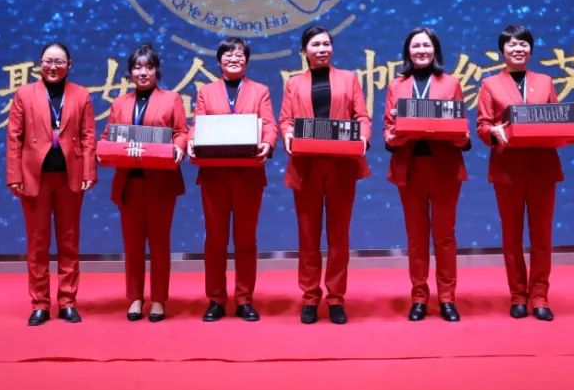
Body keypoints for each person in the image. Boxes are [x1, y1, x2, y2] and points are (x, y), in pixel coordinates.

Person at [278, 25, 371, 325]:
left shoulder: (349, 79)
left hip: (341, 166)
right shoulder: (294, 83)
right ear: (304, 51)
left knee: (338, 236)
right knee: (308, 236)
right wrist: (287, 134)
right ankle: (309, 297)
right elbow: (285, 120)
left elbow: (362, 117)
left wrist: (364, 138)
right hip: (306, 167)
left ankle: (335, 298)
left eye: (326, 44)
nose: (322, 49)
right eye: (315, 45)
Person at [5, 41, 97, 326]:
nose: (53, 67)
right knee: (38, 244)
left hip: (70, 177)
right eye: (48, 61)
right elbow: (14, 137)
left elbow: (88, 136)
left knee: (69, 242)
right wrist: (14, 175)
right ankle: (40, 304)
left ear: (69, 65)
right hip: (35, 177)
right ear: (40, 64)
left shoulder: (81, 94)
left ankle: (67, 301)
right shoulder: (24, 94)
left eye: (59, 62)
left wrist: (89, 172)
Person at [476, 25, 564, 321]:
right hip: (507, 168)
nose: (518, 49)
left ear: (531, 49)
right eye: (512, 44)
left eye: (523, 44)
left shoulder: (545, 81)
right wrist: (493, 132)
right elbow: (482, 125)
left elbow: (557, 119)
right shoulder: (490, 84)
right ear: (502, 51)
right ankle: (517, 294)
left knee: (542, 235)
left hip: (543, 167)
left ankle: (539, 295)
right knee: (511, 235)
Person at [188, 38, 278, 322]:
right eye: (228, 54)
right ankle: (216, 299)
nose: (234, 58)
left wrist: (268, 143)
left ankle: (244, 299)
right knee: (215, 240)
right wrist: (191, 140)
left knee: (246, 240)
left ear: (246, 61)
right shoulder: (206, 91)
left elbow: (269, 124)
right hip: (214, 176)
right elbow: (197, 124)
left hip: (249, 176)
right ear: (219, 62)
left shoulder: (260, 91)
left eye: (239, 54)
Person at [383, 27, 469, 322]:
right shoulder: (397, 85)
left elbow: (460, 124)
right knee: (416, 237)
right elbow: (388, 128)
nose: (421, 50)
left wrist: (462, 136)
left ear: (435, 50)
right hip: (410, 168)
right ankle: (419, 297)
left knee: (445, 236)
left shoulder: (451, 82)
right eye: (416, 46)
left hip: (444, 167)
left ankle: (447, 298)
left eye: (426, 45)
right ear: (408, 51)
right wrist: (392, 137)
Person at [107, 44, 188, 323]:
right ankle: (135, 297)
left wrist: (179, 147)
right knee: (132, 245)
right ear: (130, 72)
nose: (143, 72)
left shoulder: (171, 99)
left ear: (157, 71)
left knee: (159, 244)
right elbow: (108, 136)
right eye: (138, 67)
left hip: (161, 183)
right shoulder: (120, 103)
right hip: (129, 184)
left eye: (149, 67)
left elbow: (181, 132)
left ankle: (159, 299)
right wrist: (104, 150)